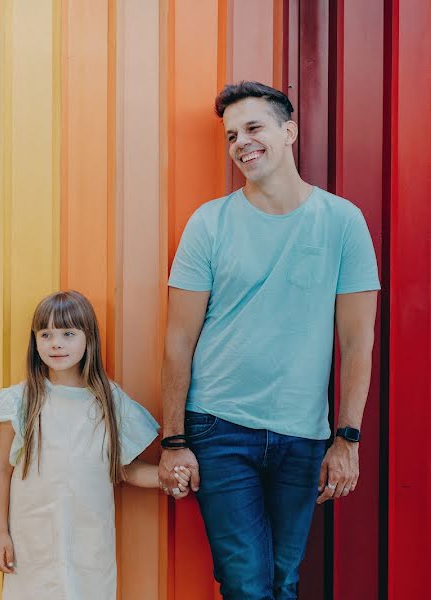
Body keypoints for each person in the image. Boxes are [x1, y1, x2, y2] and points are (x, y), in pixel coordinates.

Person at [158, 81, 379, 599]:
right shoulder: (209, 223)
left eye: (253, 128)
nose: (240, 143)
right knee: (246, 582)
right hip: (219, 427)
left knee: (283, 581)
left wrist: (347, 439)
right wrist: (173, 441)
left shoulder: (343, 222)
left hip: (303, 434)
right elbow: (177, 340)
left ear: (290, 132)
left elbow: (358, 341)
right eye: (231, 135)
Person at [0, 290, 190, 598]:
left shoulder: (109, 401)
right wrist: (0, 532)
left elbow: (125, 470)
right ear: (35, 341)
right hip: (33, 537)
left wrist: (168, 477)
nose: (56, 342)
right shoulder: (19, 401)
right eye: (46, 334)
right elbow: (1, 469)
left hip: (89, 538)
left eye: (68, 333)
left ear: (88, 338)